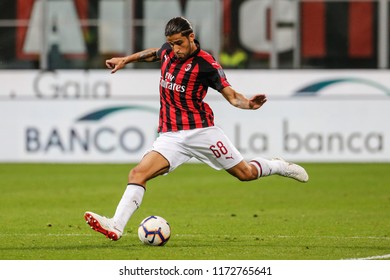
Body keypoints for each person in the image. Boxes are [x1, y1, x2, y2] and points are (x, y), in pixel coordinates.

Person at [84, 17, 309, 241]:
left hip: (202, 132)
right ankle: (116, 225)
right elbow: (154, 53)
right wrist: (126, 59)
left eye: (179, 43)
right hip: (171, 135)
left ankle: (278, 166)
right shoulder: (169, 51)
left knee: (246, 174)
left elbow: (231, 95)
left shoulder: (206, 64)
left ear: (191, 36)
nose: (175, 49)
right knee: (137, 173)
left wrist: (249, 104)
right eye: (171, 43)